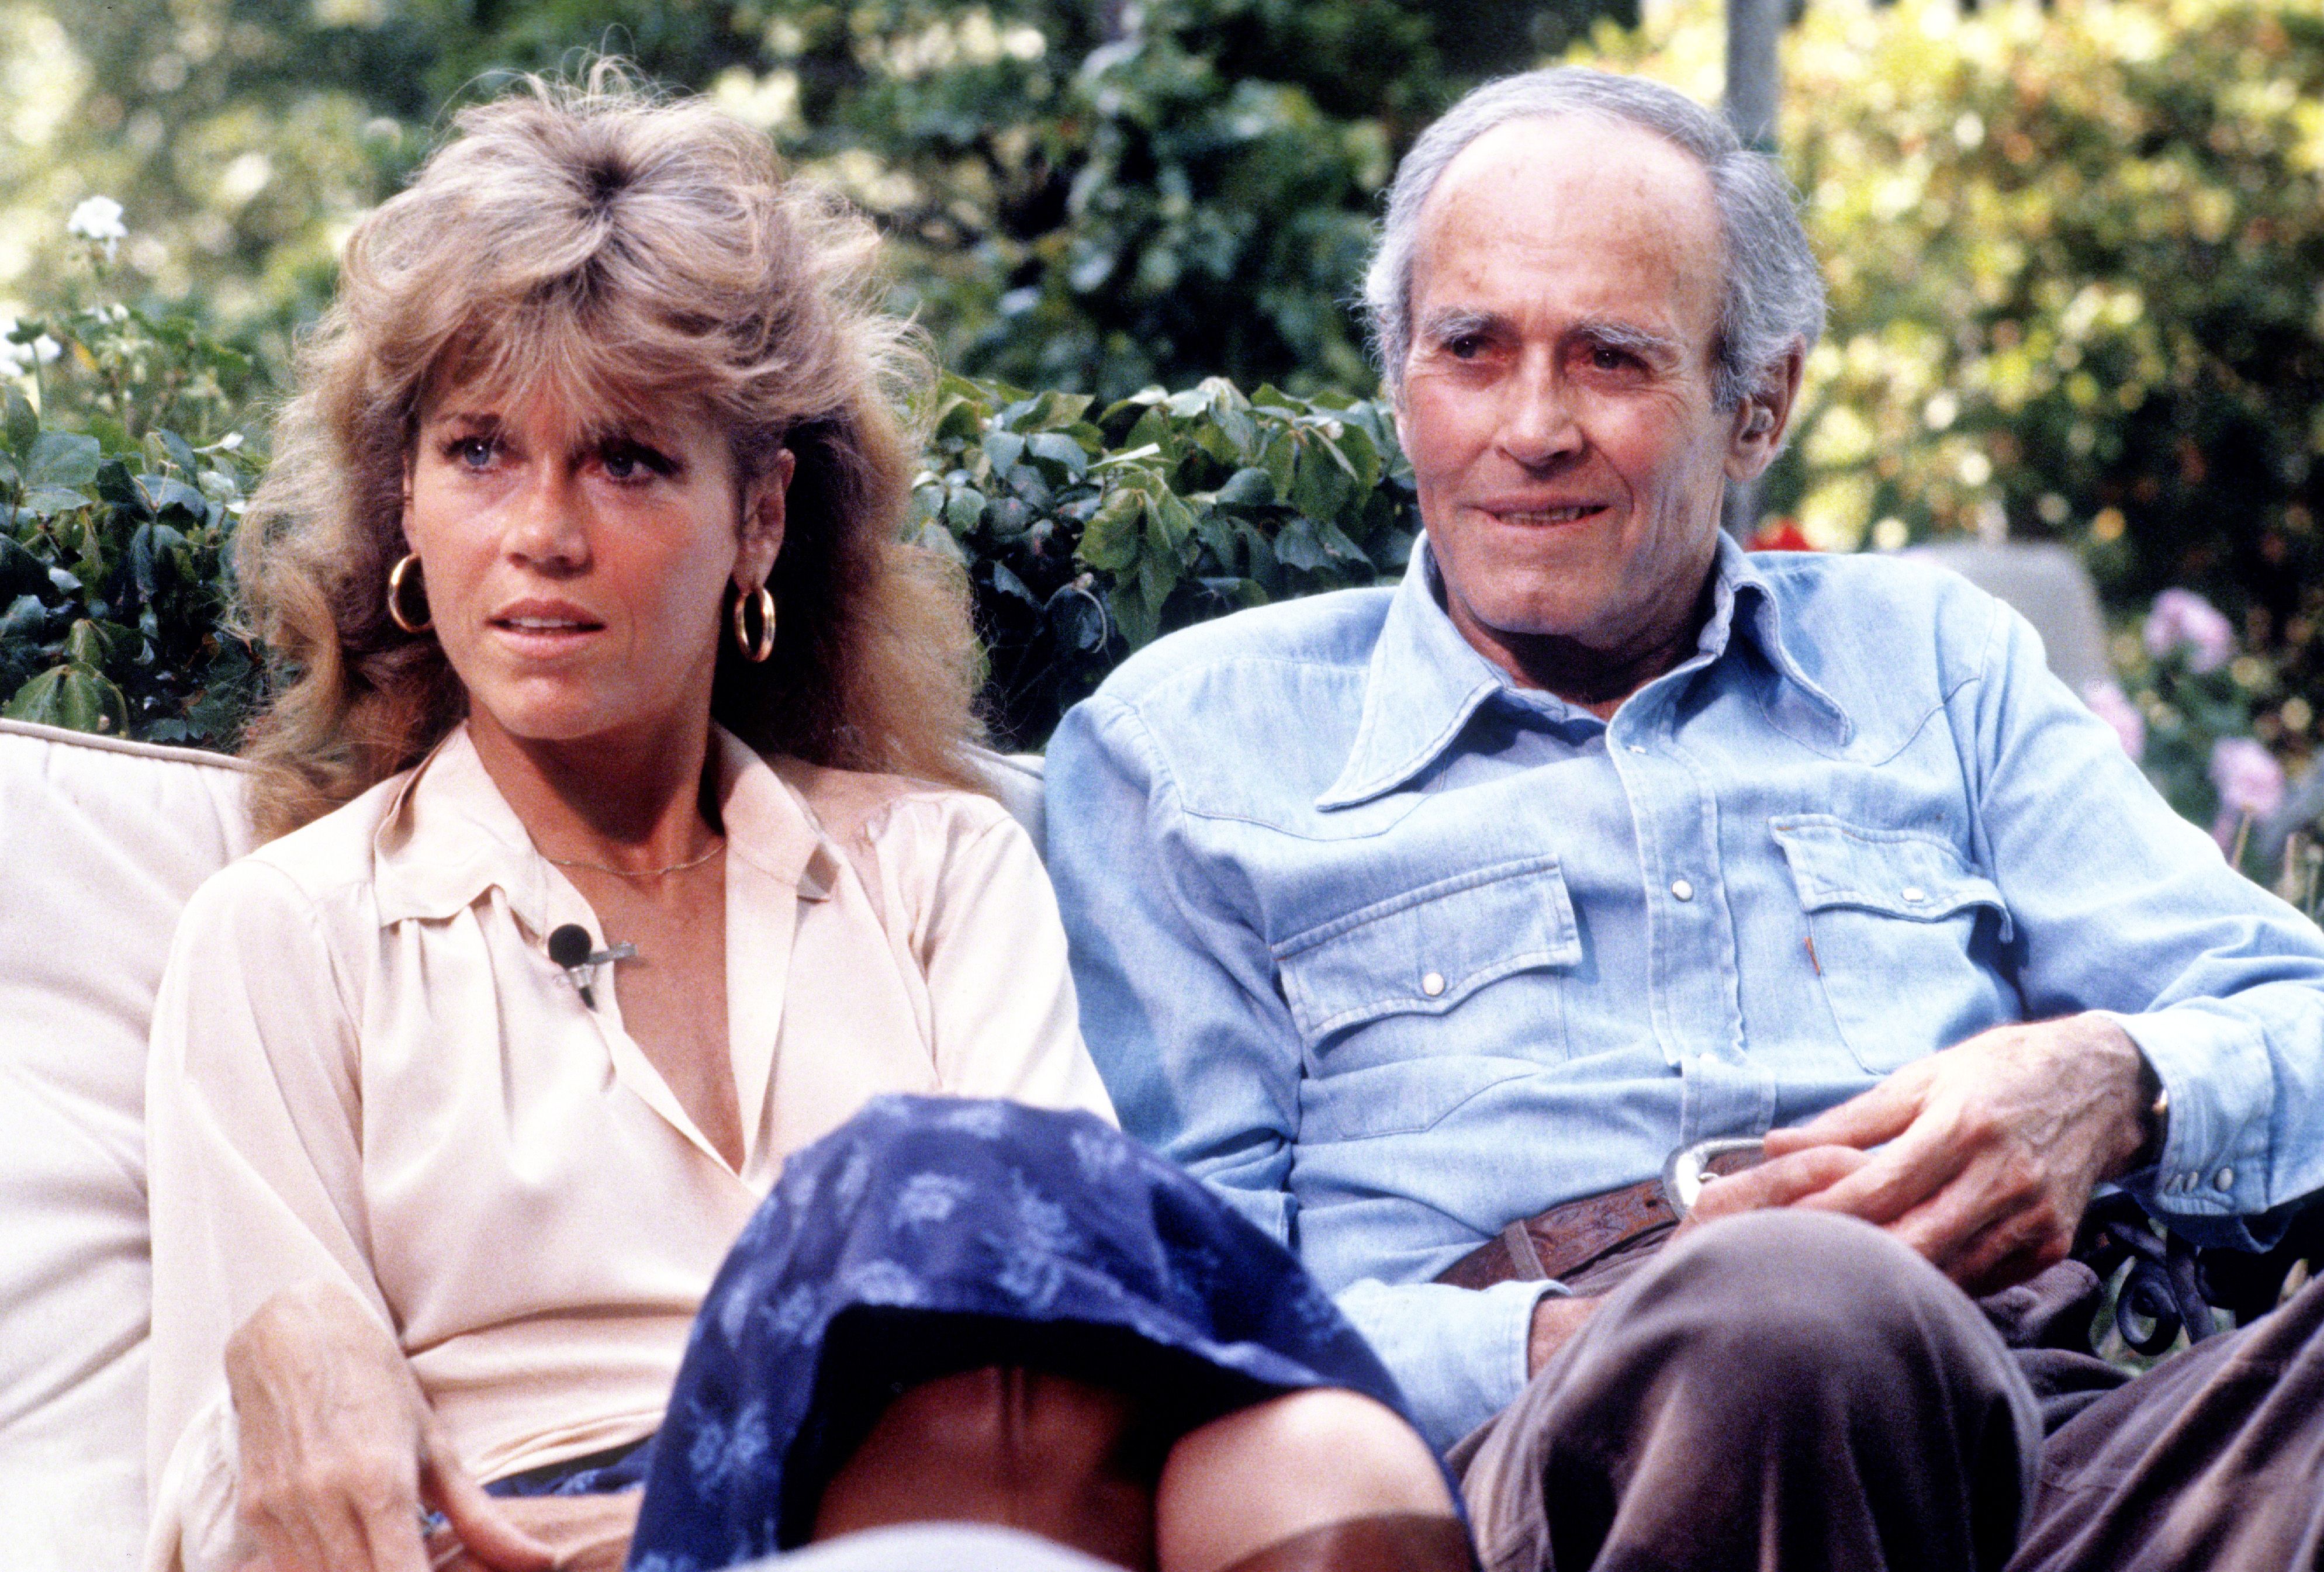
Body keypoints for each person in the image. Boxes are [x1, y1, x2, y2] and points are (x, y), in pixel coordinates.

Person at [143, 73, 1460, 1572]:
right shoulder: (289, 933)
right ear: (408, 499)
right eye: (480, 452)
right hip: (529, 1544)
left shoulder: (936, 872)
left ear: (757, 517)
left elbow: (1077, 1324)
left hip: (939, 1499)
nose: (542, 534)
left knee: (1318, 1453)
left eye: (626, 459)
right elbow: (245, 1490)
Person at [1043, 64, 2324, 1572]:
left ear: (1756, 405)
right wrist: (1568, 1338)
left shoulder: (1931, 663)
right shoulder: (1184, 748)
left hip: (2033, 1438)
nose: (1531, 426)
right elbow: (1179, 1287)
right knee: (1789, 1317)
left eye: (1608, 359)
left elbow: (2293, 1011)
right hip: (1549, 1456)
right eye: (1469, 351)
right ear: (1399, 384)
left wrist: (2119, 1077)